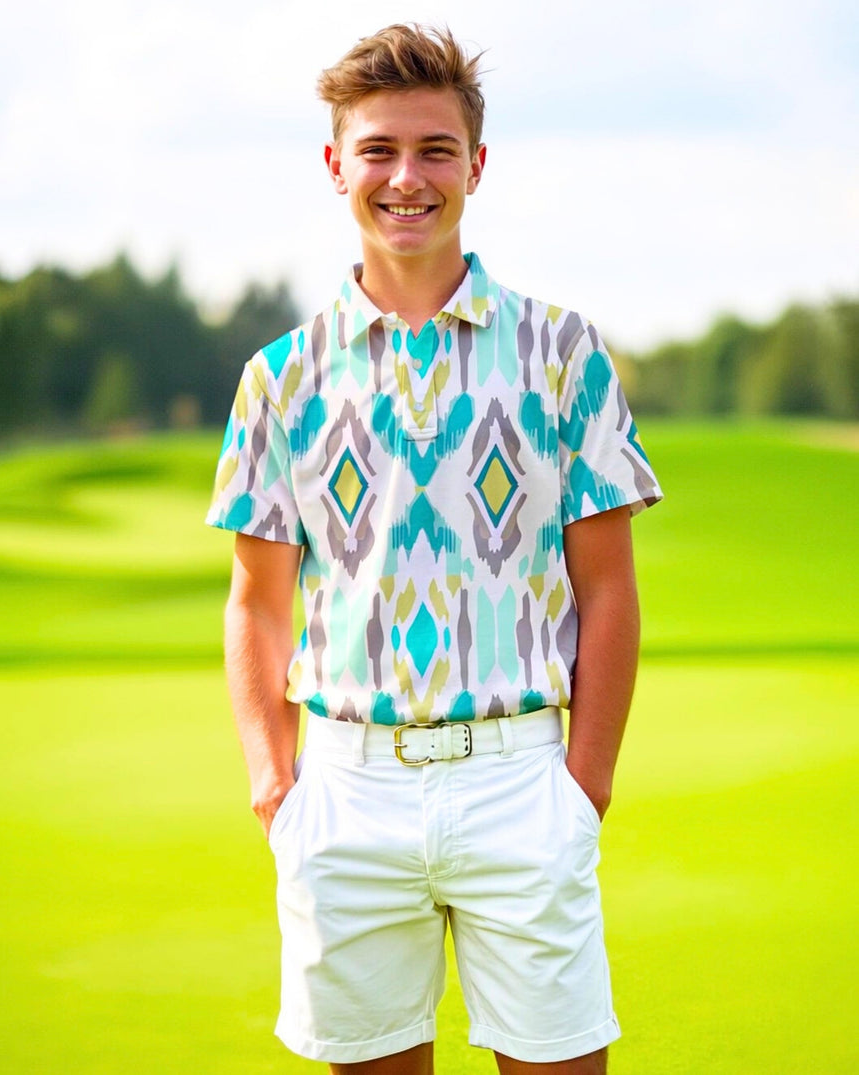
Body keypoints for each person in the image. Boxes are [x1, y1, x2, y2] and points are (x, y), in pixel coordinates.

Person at [206, 23, 662, 1075]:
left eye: (433, 149)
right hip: (345, 788)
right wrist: (275, 784)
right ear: (335, 166)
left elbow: (607, 590)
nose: (405, 177)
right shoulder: (278, 376)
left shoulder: (563, 351)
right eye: (376, 149)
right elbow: (256, 603)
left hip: (521, 781)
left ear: (474, 165)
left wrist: (580, 787)